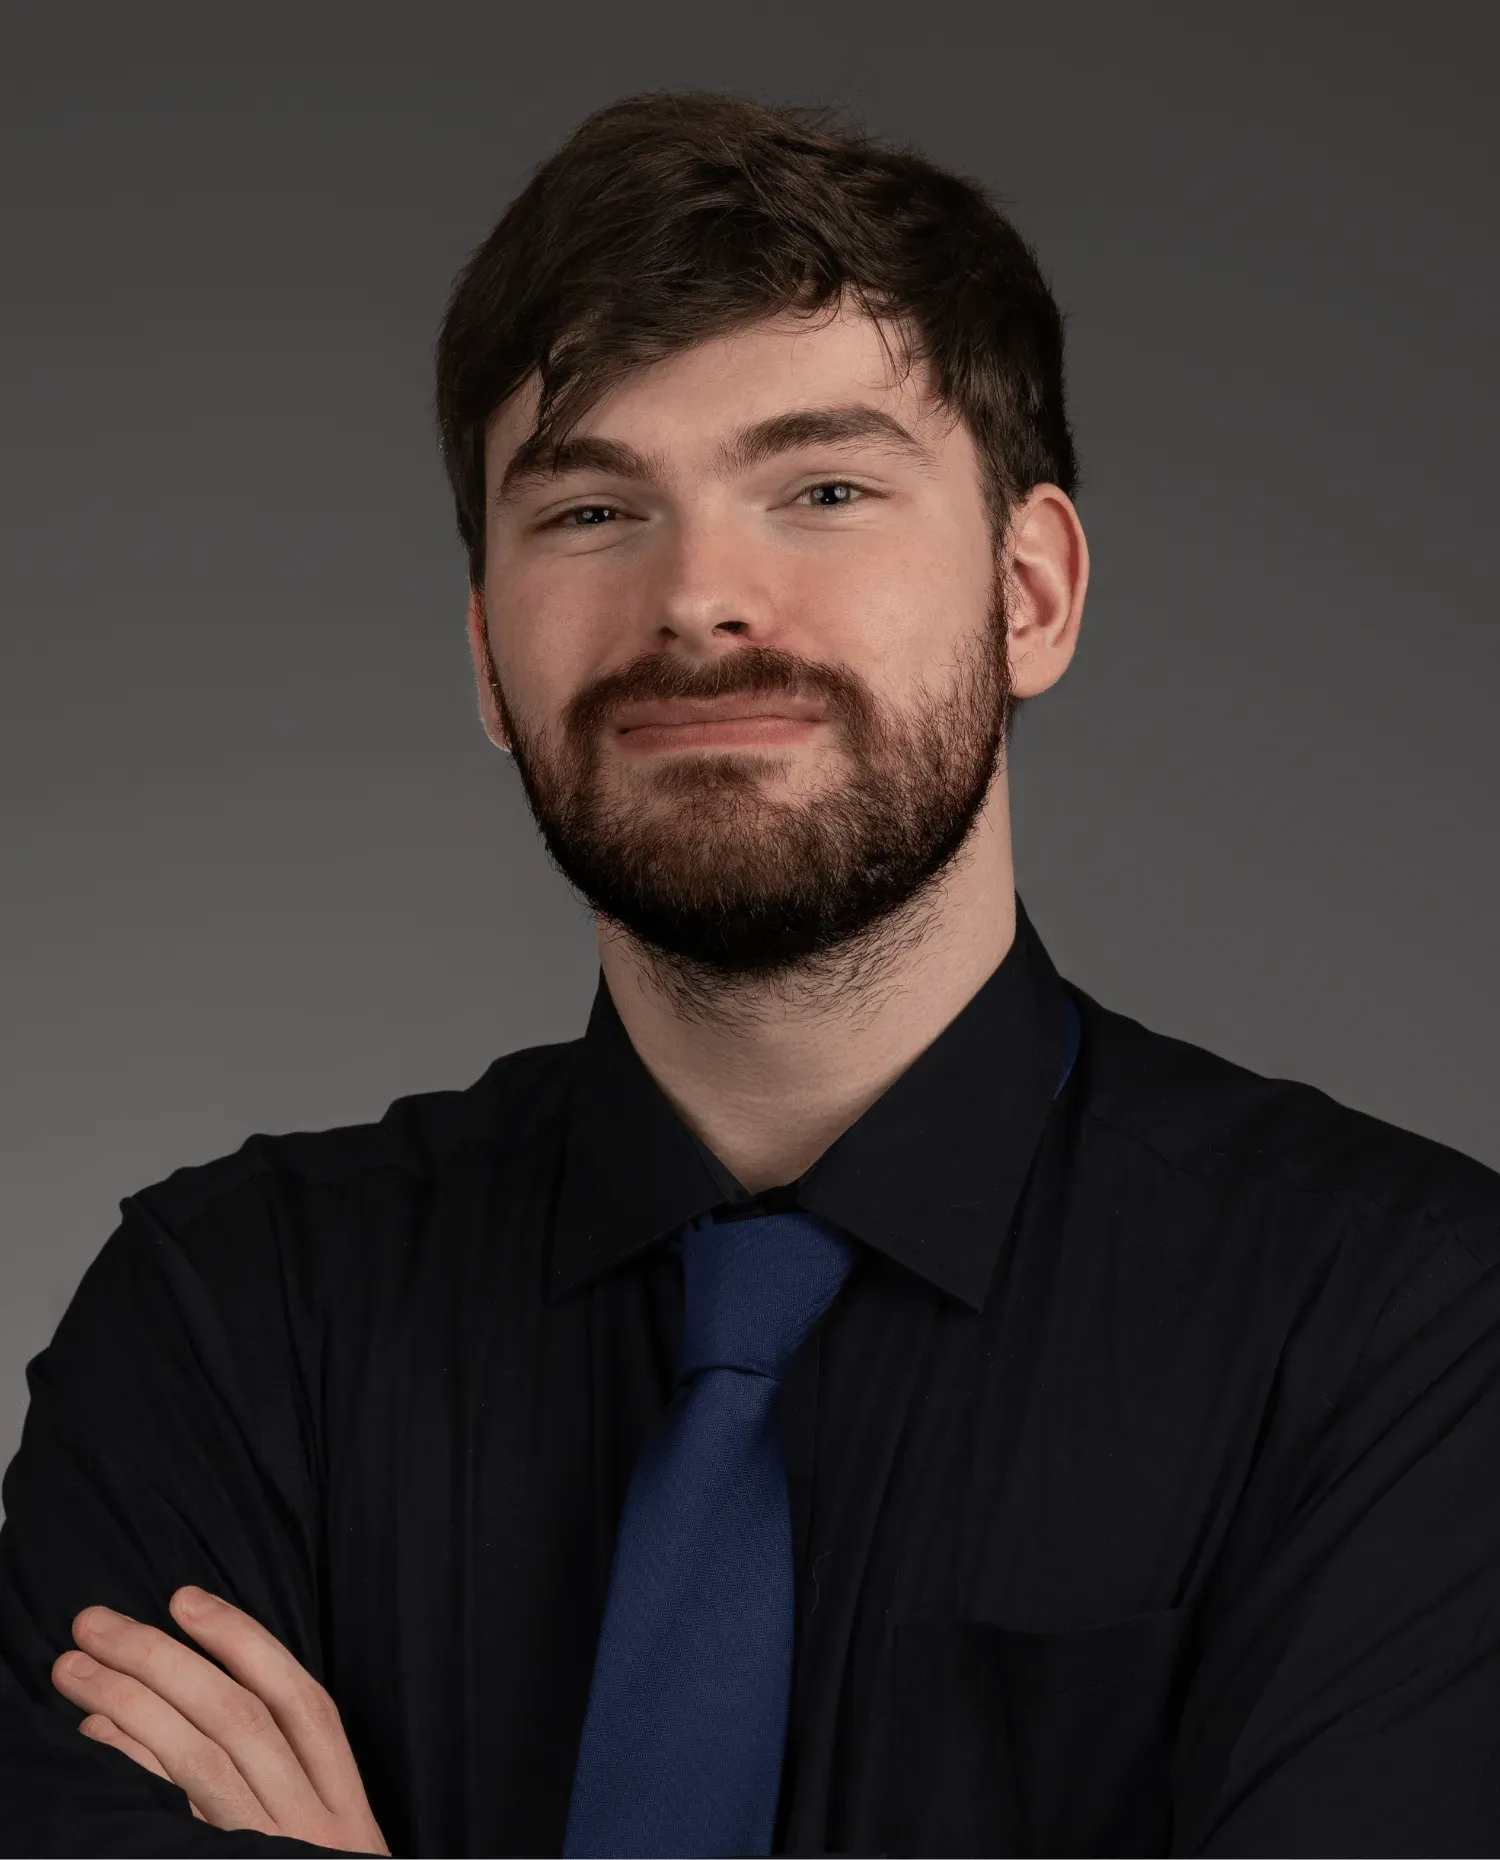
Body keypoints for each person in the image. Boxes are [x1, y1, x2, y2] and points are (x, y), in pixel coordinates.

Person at [3, 87, 1499, 1860]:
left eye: (825, 489)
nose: (700, 599)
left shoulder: (1409, 1331)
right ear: (488, 661)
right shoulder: (227, 1322)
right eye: (590, 511)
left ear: (1030, 593)